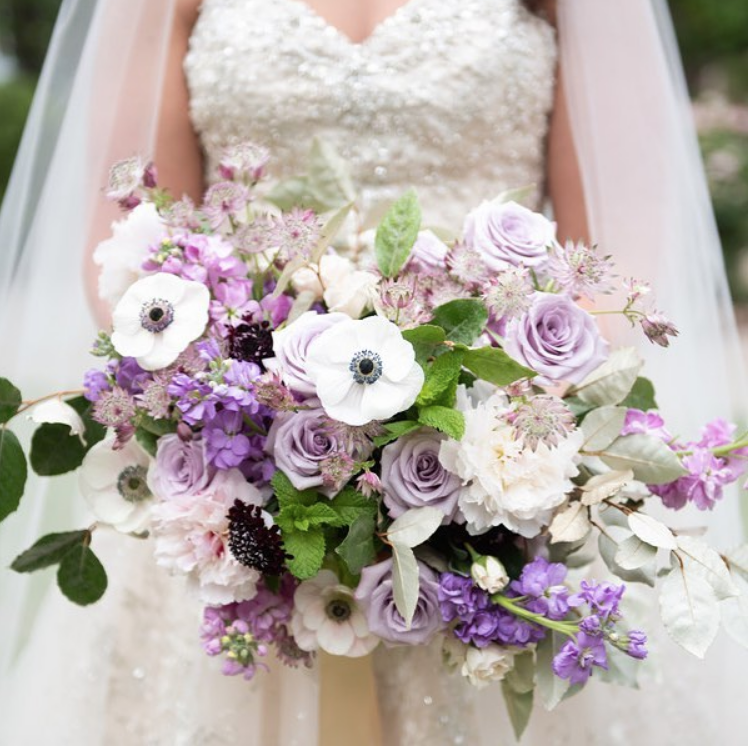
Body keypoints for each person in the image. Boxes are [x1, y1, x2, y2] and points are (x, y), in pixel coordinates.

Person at [0, 1, 746, 744]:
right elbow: (132, 244)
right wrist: (252, 425)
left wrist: (490, 446)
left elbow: (611, 265)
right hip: (245, 472)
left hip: (496, 471)